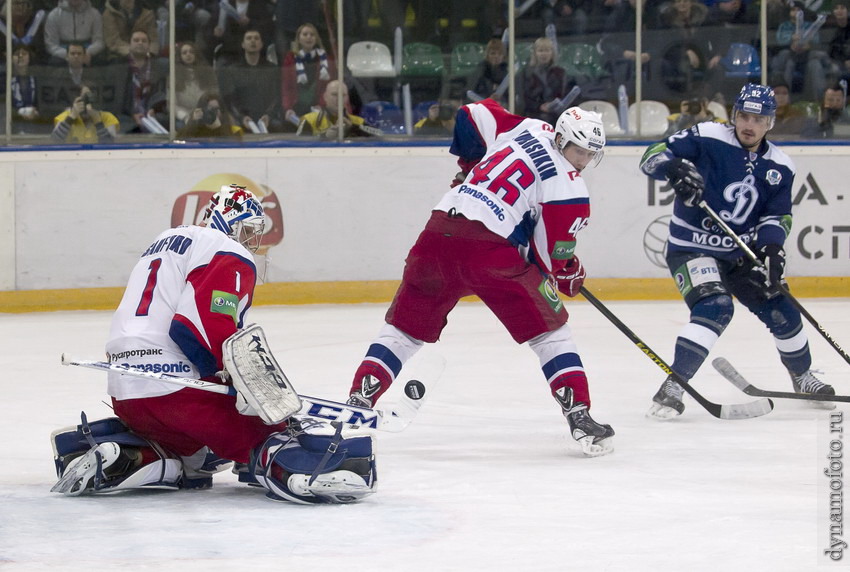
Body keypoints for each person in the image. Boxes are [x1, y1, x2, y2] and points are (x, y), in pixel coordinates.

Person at [50, 185, 377, 504]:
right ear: (230, 222)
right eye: (248, 228)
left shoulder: (163, 242)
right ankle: (292, 467)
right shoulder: (224, 247)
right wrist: (245, 385)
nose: (252, 240)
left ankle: (128, 455)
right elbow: (196, 328)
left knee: (190, 459)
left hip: (127, 393)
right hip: (181, 392)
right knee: (269, 433)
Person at [346, 100, 615, 457]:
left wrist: (470, 166)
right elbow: (551, 257)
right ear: (562, 138)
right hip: (490, 254)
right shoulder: (570, 189)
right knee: (552, 332)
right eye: (577, 150)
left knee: (404, 330)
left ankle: (359, 399)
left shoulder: (529, 127)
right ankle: (580, 415)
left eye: (589, 154)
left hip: (437, 234)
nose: (581, 160)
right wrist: (571, 275)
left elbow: (473, 113)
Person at [638, 83, 834, 420]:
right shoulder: (708, 135)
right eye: (743, 116)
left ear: (770, 122)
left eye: (758, 119)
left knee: (781, 305)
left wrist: (772, 249)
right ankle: (675, 383)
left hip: (740, 253)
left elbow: (777, 215)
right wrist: (671, 169)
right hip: (690, 248)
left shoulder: (780, 166)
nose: (749, 124)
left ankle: (802, 376)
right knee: (715, 306)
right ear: (734, 115)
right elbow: (651, 157)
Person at [218, 28, 282, 133]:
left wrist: (269, 116)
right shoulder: (232, 70)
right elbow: (229, 99)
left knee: (278, 124)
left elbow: (277, 96)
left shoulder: (272, 69)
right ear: (243, 44)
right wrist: (241, 117)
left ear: (261, 44)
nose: (253, 41)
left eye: (256, 38)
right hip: (242, 117)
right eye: (249, 38)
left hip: (266, 117)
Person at [280, 22, 334, 127]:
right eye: (305, 34)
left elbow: (328, 87)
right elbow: (286, 86)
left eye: (312, 34)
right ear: (298, 38)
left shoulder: (326, 58)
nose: (309, 37)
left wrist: (321, 105)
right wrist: (288, 108)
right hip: (296, 107)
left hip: (318, 107)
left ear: (316, 38)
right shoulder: (290, 58)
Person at [120, 29, 168, 133]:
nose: (140, 43)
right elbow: (117, 99)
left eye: (143, 41)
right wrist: (132, 115)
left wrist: (155, 109)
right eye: (136, 40)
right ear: (129, 44)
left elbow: (163, 93)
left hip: (153, 116)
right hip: (127, 117)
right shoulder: (119, 66)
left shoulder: (159, 66)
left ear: (149, 45)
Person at [520, 37, 572, 125]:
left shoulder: (560, 72)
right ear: (535, 53)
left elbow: (565, 95)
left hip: (556, 116)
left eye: (547, 50)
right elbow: (523, 98)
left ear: (552, 53)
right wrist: (539, 106)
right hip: (533, 116)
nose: (544, 54)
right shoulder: (526, 73)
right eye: (540, 51)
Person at [296, 79, 375, 138]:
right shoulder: (309, 120)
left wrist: (353, 128)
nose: (339, 99)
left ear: (347, 98)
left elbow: (380, 136)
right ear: (325, 97)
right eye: (334, 94)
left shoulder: (358, 121)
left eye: (343, 95)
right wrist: (324, 136)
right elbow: (298, 143)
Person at [51, 83, 120, 143]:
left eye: (89, 99)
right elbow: (55, 141)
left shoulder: (107, 118)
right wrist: (71, 117)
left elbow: (109, 146)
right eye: (84, 99)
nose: (86, 104)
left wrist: (98, 122)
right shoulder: (65, 117)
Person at [44, 0, 104, 66]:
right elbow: (50, 44)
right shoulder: (54, 15)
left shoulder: (94, 14)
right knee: (54, 62)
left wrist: (86, 53)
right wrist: (68, 55)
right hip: (63, 53)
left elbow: (99, 41)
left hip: (87, 51)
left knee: (100, 62)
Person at [174, 41, 219, 126]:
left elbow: (215, 95)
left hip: (207, 114)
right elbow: (172, 105)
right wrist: (186, 117)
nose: (188, 54)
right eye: (184, 53)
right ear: (180, 56)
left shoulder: (208, 73)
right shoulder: (174, 75)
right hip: (185, 116)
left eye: (191, 52)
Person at [177, 91, 243, 140]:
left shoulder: (234, 130)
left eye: (216, 109)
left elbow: (234, 147)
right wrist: (192, 123)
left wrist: (220, 129)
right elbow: (178, 144)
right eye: (210, 110)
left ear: (222, 111)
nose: (213, 113)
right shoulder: (196, 130)